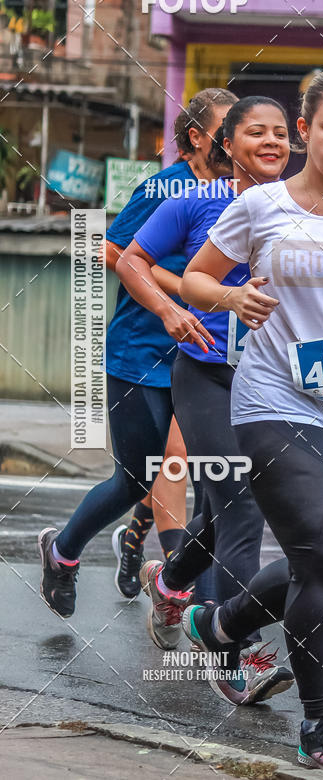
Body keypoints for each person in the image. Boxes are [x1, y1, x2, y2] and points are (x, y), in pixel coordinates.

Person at [147, 68, 323, 769]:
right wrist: (230, 299)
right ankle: (321, 725)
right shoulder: (264, 205)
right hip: (276, 397)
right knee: (322, 554)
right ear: (305, 130)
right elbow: (194, 277)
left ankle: (220, 623)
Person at [117, 96, 295, 703]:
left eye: (280, 133)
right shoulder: (193, 201)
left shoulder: (307, 209)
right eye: (255, 132)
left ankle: (169, 587)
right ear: (228, 144)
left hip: (275, 384)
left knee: (224, 516)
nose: (271, 142)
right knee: (241, 510)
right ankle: (235, 654)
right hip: (207, 376)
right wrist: (169, 308)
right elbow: (132, 260)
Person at [38, 88, 237, 617]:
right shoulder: (167, 187)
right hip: (143, 352)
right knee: (136, 476)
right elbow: (111, 250)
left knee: (204, 476)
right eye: (227, 129)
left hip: (208, 357)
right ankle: (63, 553)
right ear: (196, 137)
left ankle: (191, 599)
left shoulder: (245, 192)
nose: (238, 140)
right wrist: (178, 289)